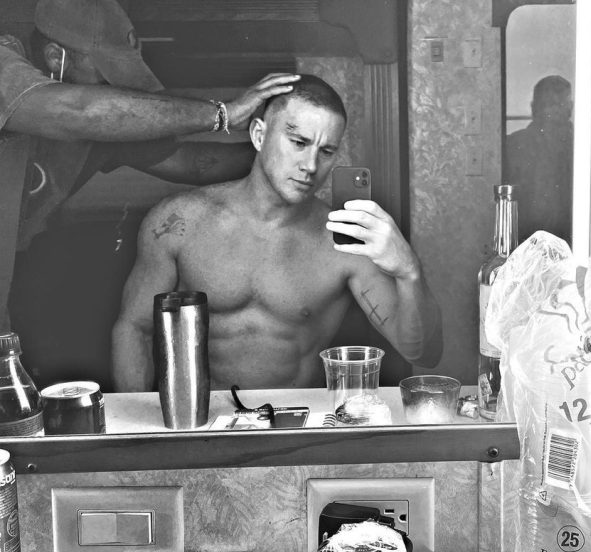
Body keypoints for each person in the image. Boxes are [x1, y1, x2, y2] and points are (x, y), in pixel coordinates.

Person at [112, 74, 443, 390]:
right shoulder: (179, 222)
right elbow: (134, 329)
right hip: (204, 418)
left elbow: (422, 353)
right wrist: (136, 426)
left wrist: (408, 270)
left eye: (326, 151)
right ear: (259, 135)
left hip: (299, 421)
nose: (310, 166)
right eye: (298, 142)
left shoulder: (346, 241)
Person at [0, 0, 297, 333]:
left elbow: (189, 163)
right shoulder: (6, 64)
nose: (114, 90)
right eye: (105, 74)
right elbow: (78, 111)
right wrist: (223, 114)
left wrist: (284, 153)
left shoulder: (101, 121)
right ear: (55, 57)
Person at [501, 74, 573, 245]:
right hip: (523, 244)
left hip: (572, 244)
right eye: (548, 103)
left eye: (559, 104)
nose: (553, 111)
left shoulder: (582, 147)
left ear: (569, 108)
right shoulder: (513, 145)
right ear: (534, 107)